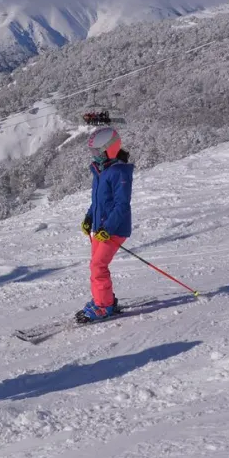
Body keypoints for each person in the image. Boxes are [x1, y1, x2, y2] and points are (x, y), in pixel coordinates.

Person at [78, 127, 133, 323]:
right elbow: (98, 202)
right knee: (95, 266)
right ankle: (102, 299)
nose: (95, 156)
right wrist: (89, 218)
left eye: (98, 152)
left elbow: (122, 205)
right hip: (100, 228)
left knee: (98, 265)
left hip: (114, 229)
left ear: (110, 149)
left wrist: (107, 228)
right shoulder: (100, 171)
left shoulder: (119, 172)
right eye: (92, 151)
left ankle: (104, 306)